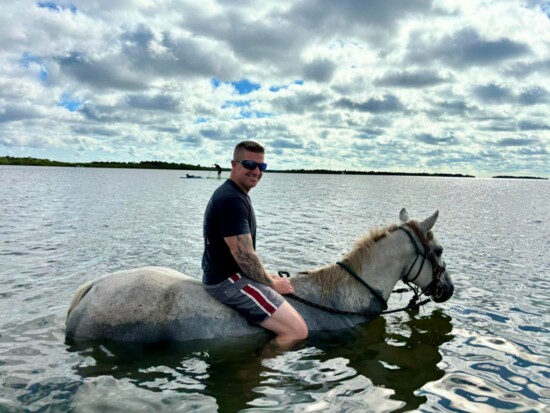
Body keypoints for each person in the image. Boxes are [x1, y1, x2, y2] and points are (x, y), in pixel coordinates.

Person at [202, 141, 308, 347]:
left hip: (231, 273)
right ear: (234, 164)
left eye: (262, 167)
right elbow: (244, 255)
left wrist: (266, 277)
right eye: (250, 164)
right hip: (228, 281)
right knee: (297, 331)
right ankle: (251, 372)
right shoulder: (232, 199)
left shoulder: (235, 193)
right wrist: (272, 284)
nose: (256, 171)